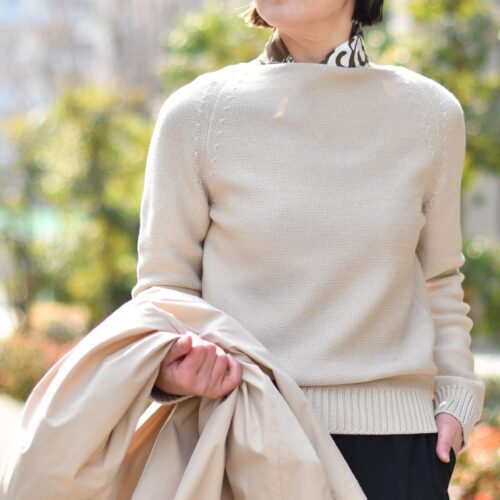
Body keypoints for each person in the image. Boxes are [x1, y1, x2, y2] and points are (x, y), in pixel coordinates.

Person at [130, 1, 486, 498]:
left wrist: (457, 398)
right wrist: (175, 372)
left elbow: (439, 278)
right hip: (241, 440)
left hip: (397, 452)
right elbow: (164, 293)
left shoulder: (431, 114)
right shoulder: (197, 115)